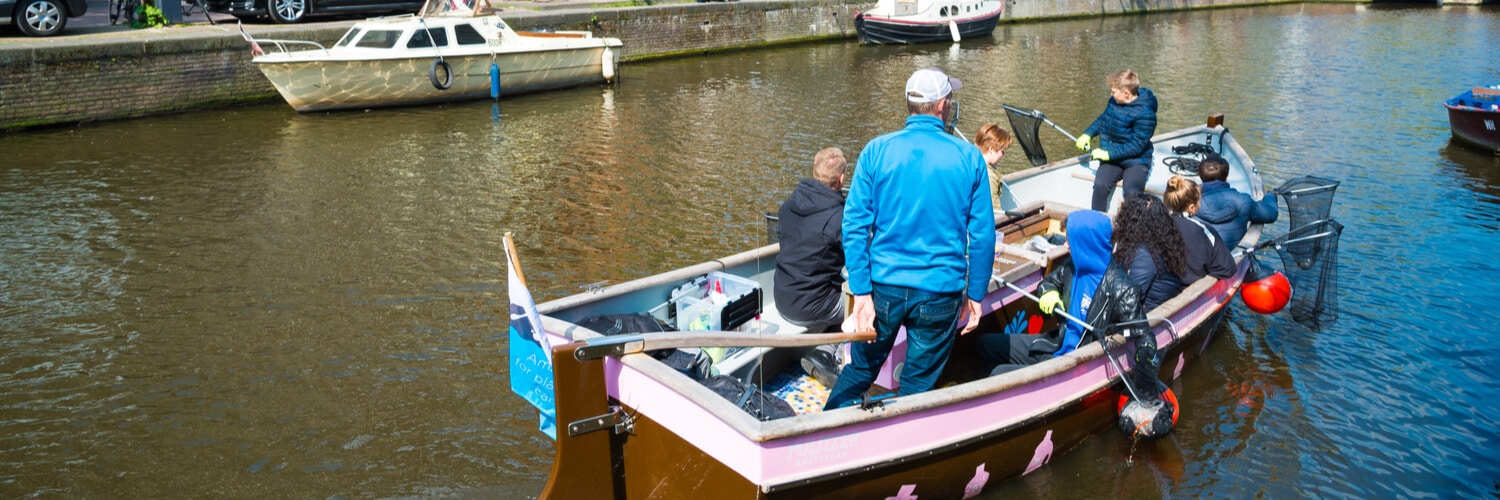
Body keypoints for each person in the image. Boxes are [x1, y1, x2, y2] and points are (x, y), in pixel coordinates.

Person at [824, 68, 996, 410]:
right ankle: (900, 444)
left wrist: (861, 292)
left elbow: (854, 225)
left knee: (861, 368)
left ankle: (825, 434)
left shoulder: (877, 151)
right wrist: (975, 293)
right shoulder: (969, 157)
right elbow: (982, 236)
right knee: (918, 384)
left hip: (884, 285)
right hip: (940, 290)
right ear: (943, 105)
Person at [974, 210, 1150, 376]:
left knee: (999, 373)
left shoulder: (1124, 290)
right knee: (984, 344)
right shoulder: (1072, 266)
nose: (1065, 245)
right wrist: (1049, 294)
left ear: (1087, 243)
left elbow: (1143, 338)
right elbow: (1048, 283)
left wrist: (1145, 377)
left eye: (1070, 240)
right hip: (1057, 343)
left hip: (1075, 363)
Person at [772, 147, 849, 387]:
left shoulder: (788, 204)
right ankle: (827, 354)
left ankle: (824, 350)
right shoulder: (839, 217)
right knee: (862, 303)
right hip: (809, 306)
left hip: (781, 296)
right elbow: (858, 259)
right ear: (842, 179)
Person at [1075, 70, 1159, 213]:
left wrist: (1107, 154)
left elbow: (1137, 146)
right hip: (1114, 157)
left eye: (1113, 92)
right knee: (1100, 185)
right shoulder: (1114, 102)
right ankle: (1097, 222)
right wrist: (1087, 134)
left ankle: (1132, 228)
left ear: (1126, 93)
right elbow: (1103, 120)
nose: (1111, 95)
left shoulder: (1146, 114)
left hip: (1136, 160)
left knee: (1131, 192)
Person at [1113, 194, 1190, 312]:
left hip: (1150, 315)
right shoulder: (1164, 245)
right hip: (1157, 307)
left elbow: (1129, 299)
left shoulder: (1143, 256)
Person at [1163, 175, 1236, 284]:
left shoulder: (1156, 224)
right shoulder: (1204, 230)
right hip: (1191, 289)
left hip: (1160, 289)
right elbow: (1228, 269)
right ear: (1191, 207)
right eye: (1199, 201)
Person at [1194, 154, 1278, 248]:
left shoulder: (1190, 205)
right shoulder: (1244, 201)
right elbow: (1271, 214)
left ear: (1201, 178)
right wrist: (1270, 196)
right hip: (1232, 256)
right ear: (1226, 178)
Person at [974, 124, 1014, 211]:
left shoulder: (969, 163)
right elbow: (995, 212)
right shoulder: (989, 177)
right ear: (991, 149)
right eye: (1002, 151)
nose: (1003, 156)